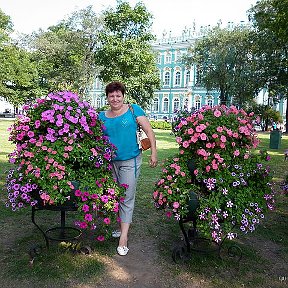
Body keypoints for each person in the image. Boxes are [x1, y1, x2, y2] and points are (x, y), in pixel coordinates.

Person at [98, 81, 158, 256]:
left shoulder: (134, 110)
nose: (115, 99)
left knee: (126, 197)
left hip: (129, 160)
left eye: (118, 95)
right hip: (109, 162)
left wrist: (154, 153)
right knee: (113, 196)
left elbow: (149, 131)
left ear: (123, 96)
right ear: (107, 98)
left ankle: (123, 238)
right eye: (111, 96)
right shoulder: (102, 116)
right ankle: (120, 227)